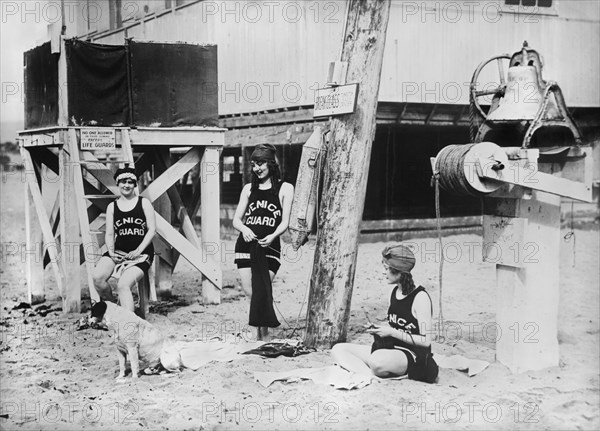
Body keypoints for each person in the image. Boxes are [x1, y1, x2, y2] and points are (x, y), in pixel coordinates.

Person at [331, 244, 433, 379]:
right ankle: (369, 376)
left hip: (412, 354)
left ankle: (367, 372)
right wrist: (380, 330)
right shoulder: (396, 291)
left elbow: (426, 341)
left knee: (377, 361)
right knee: (338, 349)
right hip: (391, 349)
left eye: (386, 269)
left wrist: (391, 332)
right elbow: (398, 326)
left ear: (398, 271)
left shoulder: (420, 298)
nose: (383, 272)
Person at [232, 144, 294, 341]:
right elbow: (236, 220)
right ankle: (258, 335)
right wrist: (245, 229)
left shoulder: (285, 188)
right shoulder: (248, 189)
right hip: (245, 245)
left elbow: (285, 221)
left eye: (260, 164)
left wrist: (274, 235)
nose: (256, 168)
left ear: (271, 164)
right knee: (250, 291)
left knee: (262, 289)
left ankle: (262, 334)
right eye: (253, 165)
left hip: (269, 246)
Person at [92, 166, 156, 313]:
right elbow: (109, 233)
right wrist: (111, 252)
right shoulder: (112, 207)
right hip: (119, 250)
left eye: (130, 182)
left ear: (135, 185)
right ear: (117, 184)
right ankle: (114, 309)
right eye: (122, 182)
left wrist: (138, 250)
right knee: (97, 278)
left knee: (123, 285)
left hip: (142, 254)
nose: (126, 185)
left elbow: (152, 230)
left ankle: (129, 324)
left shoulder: (143, 203)